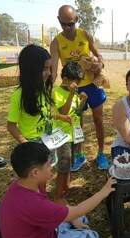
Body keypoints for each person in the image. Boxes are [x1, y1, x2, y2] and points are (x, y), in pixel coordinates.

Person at [0, 142, 116, 238]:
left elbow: (59, 209)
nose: (52, 167)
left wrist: (73, 217)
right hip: (47, 235)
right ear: (35, 172)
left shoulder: (24, 185)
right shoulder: (33, 204)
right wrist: (103, 192)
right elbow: (77, 210)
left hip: (41, 231)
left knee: (80, 219)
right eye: (49, 164)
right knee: (90, 236)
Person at [50, 5, 109, 170]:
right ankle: (79, 155)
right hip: (73, 89)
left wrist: (100, 64)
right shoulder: (56, 43)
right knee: (77, 123)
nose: (67, 28)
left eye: (70, 23)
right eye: (63, 24)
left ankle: (101, 153)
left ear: (76, 20)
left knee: (98, 119)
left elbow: (98, 54)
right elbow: (54, 71)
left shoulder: (85, 35)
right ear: (59, 21)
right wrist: (48, 89)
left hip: (92, 85)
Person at [52, 61, 88, 203]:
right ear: (65, 79)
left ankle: (66, 186)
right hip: (62, 136)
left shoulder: (72, 92)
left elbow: (76, 113)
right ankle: (58, 196)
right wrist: (72, 95)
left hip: (72, 134)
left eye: (78, 83)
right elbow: (64, 112)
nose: (76, 85)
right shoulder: (58, 92)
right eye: (75, 82)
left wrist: (82, 102)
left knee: (69, 163)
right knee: (63, 164)